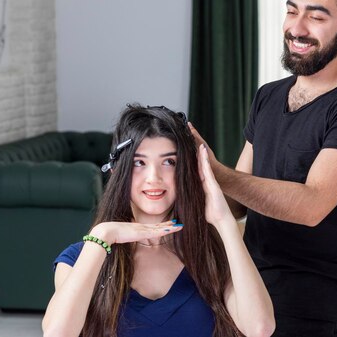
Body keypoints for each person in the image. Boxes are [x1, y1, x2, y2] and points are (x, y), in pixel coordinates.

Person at [190, 0, 337, 336]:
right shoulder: (268, 96)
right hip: (249, 293)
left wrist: (215, 169)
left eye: (316, 17)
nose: (297, 28)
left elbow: (311, 206)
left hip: (318, 308)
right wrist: (183, 168)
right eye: (291, 11)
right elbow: (238, 200)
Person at [42, 104, 275, 337]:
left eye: (169, 162)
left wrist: (224, 220)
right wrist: (102, 236)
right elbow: (57, 333)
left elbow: (260, 329)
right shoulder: (79, 257)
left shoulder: (213, 254)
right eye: (139, 163)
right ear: (117, 172)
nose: (154, 178)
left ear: (190, 171)